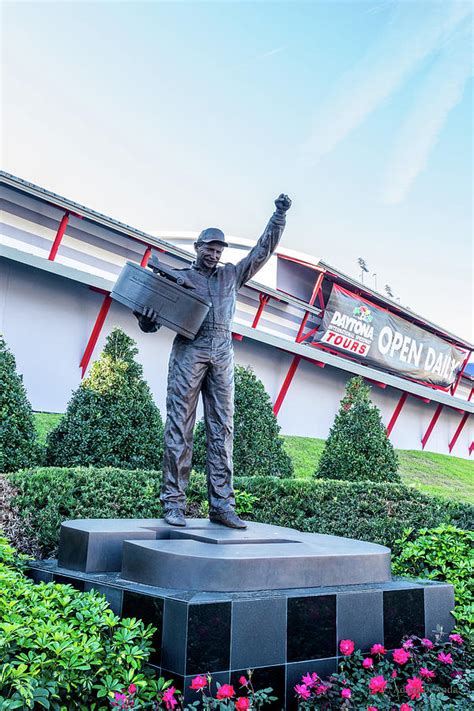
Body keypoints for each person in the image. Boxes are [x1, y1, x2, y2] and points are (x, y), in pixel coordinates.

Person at [136, 194, 292, 528]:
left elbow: (261, 251)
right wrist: (146, 319)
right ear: (197, 247)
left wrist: (278, 216)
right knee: (180, 425)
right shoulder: (177, 276)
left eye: (220, 249)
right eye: (210, 247)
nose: (215, 253)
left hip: (222, 351)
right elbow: (151, 319)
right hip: (189, 349)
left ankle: (222, 506)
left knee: (223, 428)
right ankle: (173, 504)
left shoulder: (231, 276)